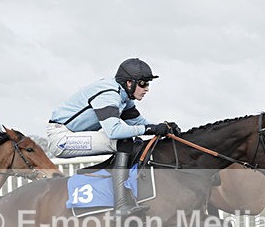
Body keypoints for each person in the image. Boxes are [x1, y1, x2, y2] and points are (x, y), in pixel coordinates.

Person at [46, 58, 179, 217]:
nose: (147, 89)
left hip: (75, 134)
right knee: (123, 141)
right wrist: (151, 129)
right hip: (61, 139)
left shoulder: (123, 96)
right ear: (130, 83)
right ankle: (120, 205)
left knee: (135, 141)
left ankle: (118, 186)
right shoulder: (109, 94)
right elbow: (114, 131)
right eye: (143, 83)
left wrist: (164, 128)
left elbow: (138, 122)